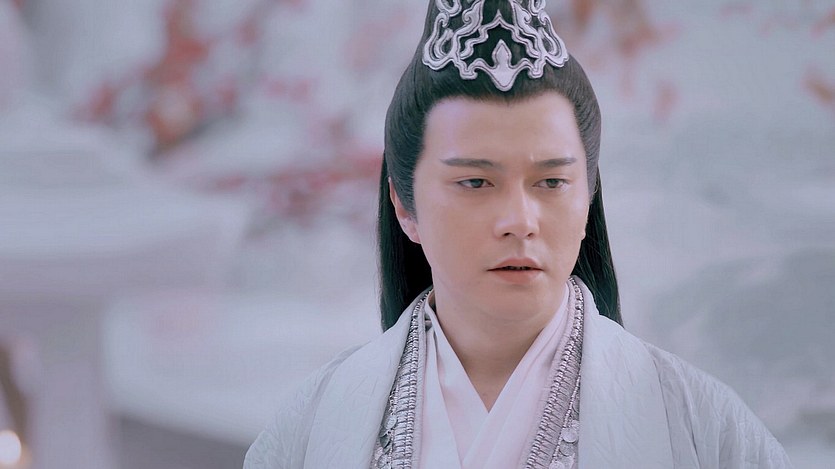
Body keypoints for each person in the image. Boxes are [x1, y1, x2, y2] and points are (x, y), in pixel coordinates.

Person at [245, 1, 792, 467]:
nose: (520, 221)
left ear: (589, 197)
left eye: (551, 182)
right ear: (404, 205)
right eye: (475, 182)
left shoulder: (702, 425)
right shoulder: (313, 423)